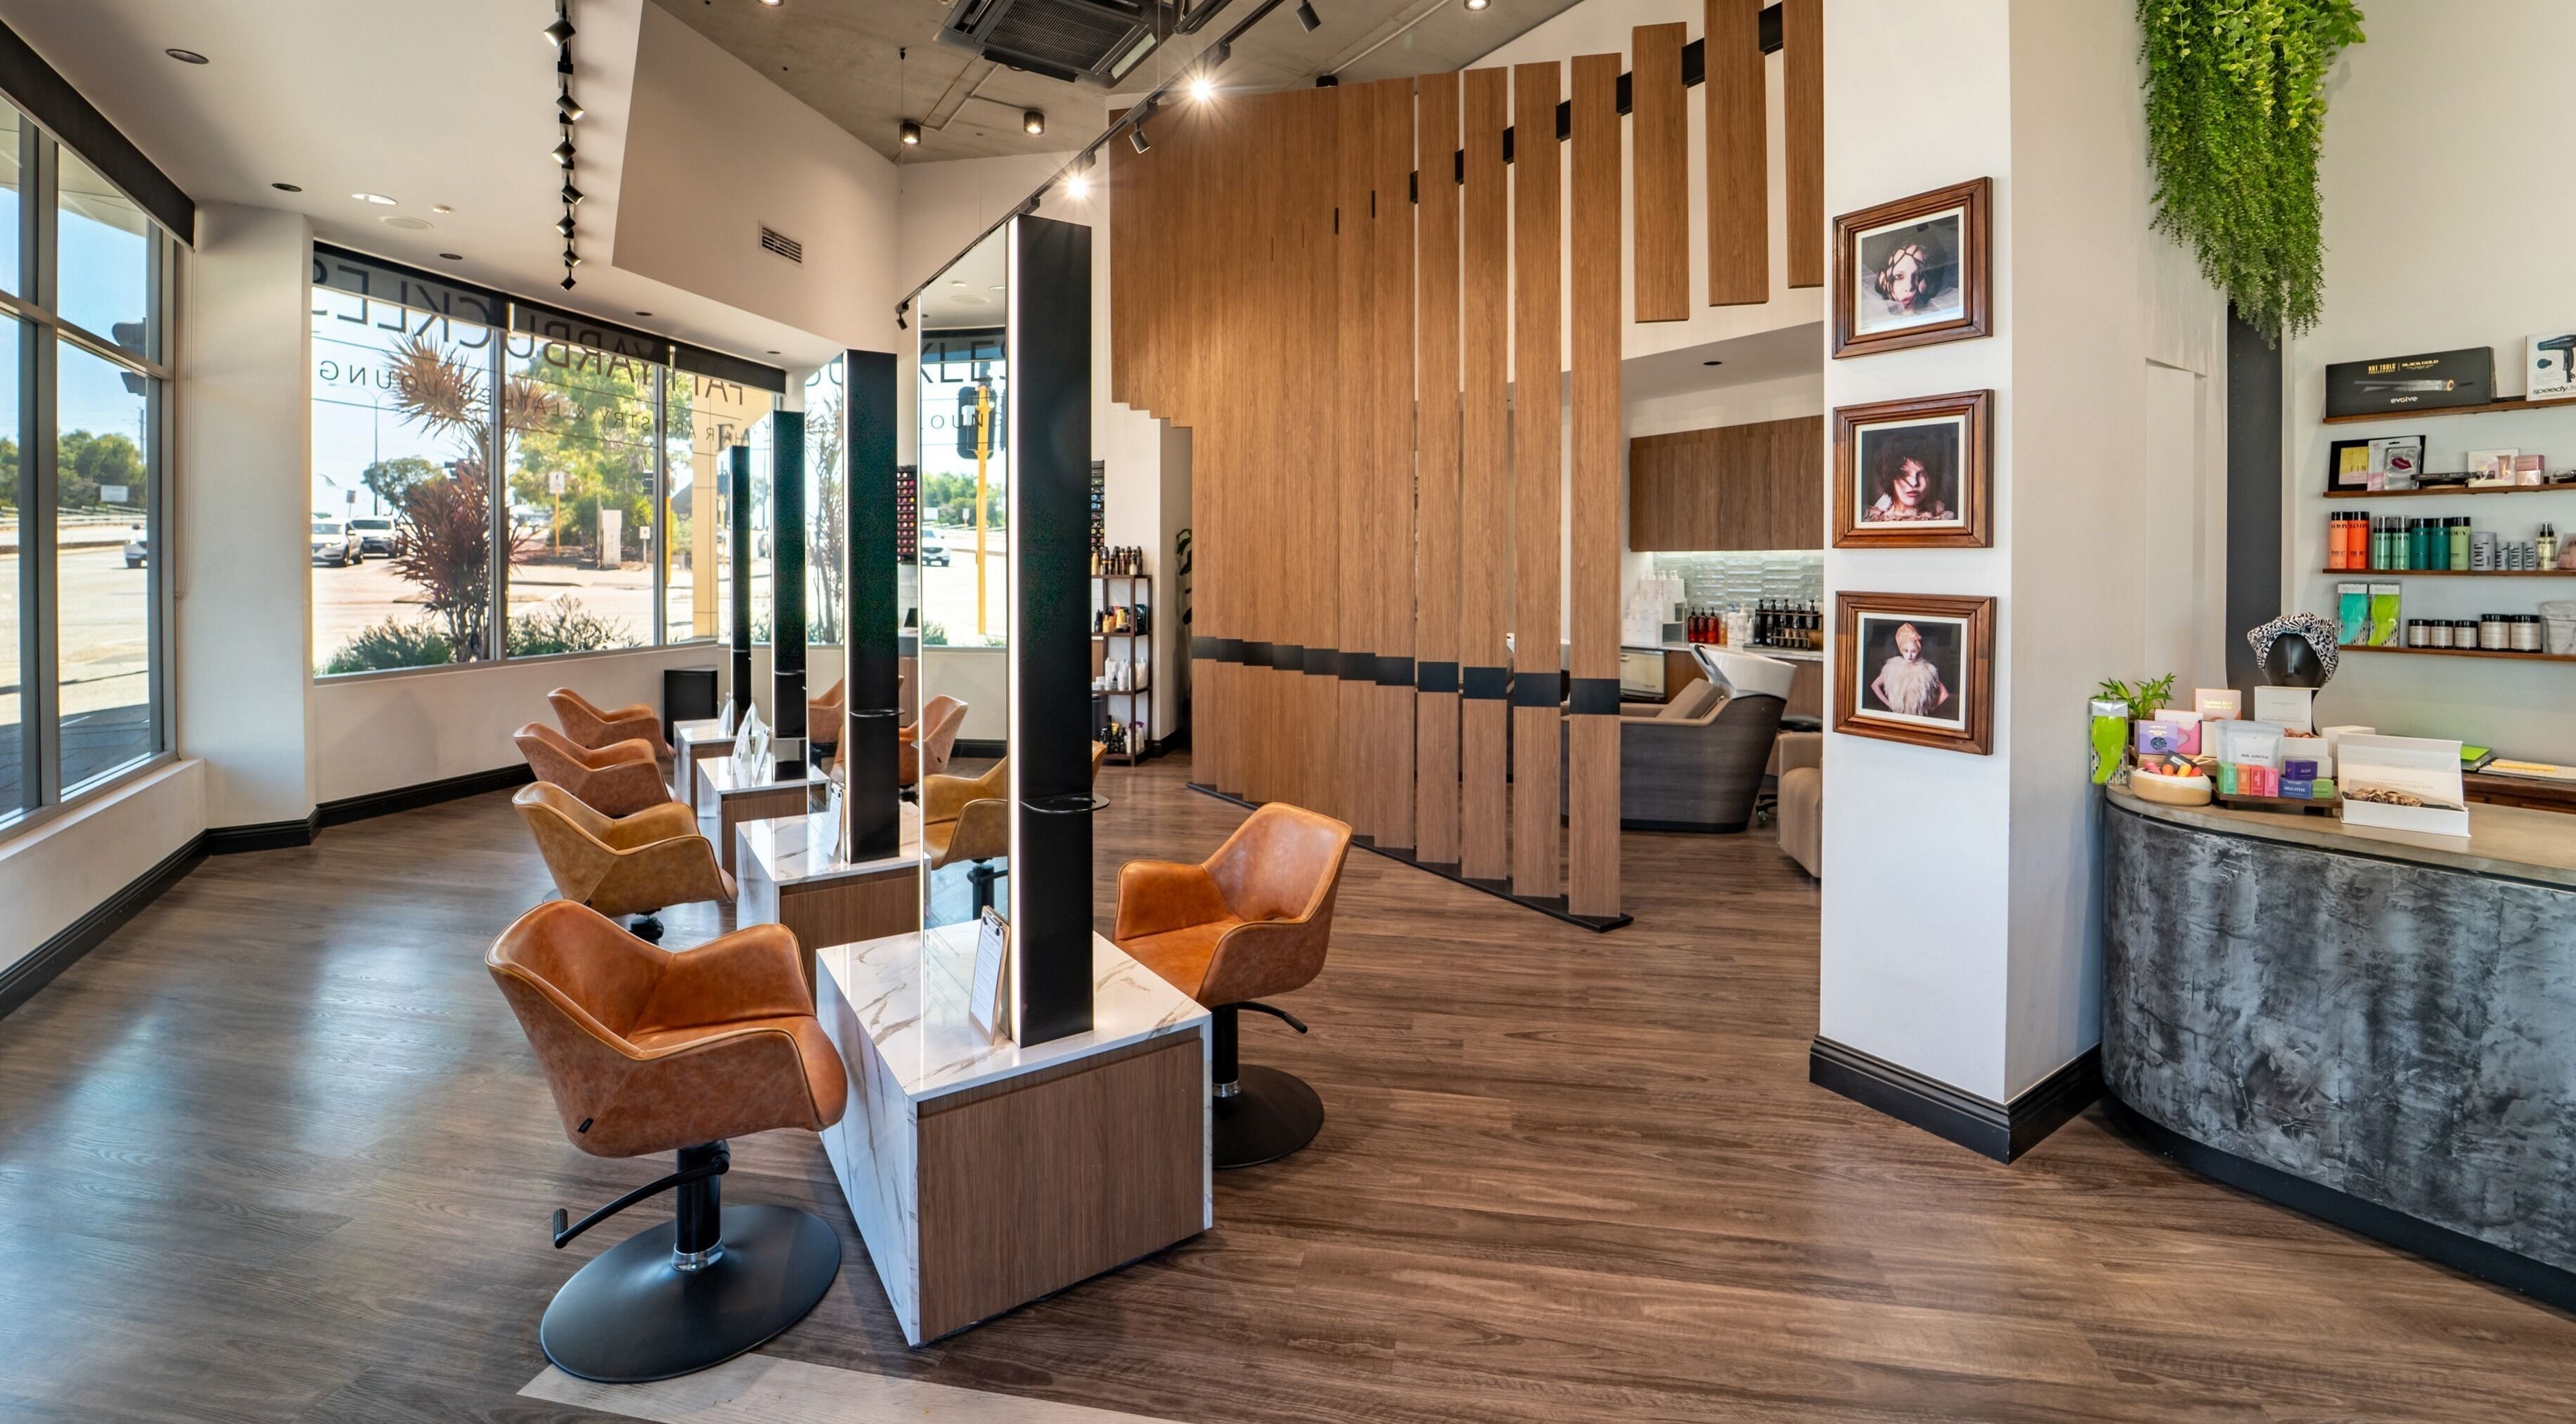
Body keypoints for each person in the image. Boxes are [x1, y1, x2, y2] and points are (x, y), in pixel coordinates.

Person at [1866, 229, 1960, 325]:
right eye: (1899, 276)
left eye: (1919, 276)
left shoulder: (1950, 315)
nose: (1909, 287)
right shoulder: (1869, 320)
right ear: (1883, 280)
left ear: (1932, 280)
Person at [1869, 622, 1950, 719]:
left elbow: (1945, 694)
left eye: (1913, 651)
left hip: (1918, 719)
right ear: (1901, 650)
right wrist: (1890, 704)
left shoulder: (1927, 671)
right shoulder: (1893, 668)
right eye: (1906, 651)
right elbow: (1875, 685)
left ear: (1918, 650)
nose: (1910, 655)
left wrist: (1929, 708)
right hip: (1898, 718)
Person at [1864, 444, 1952, 522]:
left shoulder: (1943, 519)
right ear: (1891, 478)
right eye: (1905, 474)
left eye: (1922, 474)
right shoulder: (1872, 519)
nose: (1914, 483)